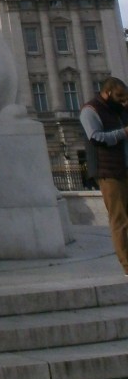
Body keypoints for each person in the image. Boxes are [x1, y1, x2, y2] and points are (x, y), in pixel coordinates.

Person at [80, 76, 128, 274]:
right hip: (109, 172)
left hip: (124, 168)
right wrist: (123, 133)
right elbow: (95, 137)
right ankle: (127, 265)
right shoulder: (90, 110)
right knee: (120, 219)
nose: (124, 101)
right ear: (107, 93)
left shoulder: (119, 110)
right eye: (120, 97)